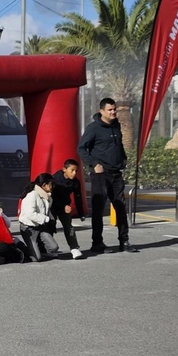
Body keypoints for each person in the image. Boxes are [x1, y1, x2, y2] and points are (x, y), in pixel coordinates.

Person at [79, 98, 135, 253]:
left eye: (114, 109)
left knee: (120, 207)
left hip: (116, 174)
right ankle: (97, 243)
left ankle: (124, 241)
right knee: (98, 210)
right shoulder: (93, 128)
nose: (113, 112)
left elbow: (119, 145)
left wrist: (123, 160)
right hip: (100, 175)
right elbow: (82, 149)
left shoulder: (116, 126)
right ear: (101, 111)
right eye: (110, 110)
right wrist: (94, 164)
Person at [16, 175, 61, 261]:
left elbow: (47, 211)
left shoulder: (48, 197)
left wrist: (50, 219)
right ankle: (20, 246)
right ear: (44, 185)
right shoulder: (32, 195)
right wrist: (46, 219)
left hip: (40, 227)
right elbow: (30, 214)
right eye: (51, 184)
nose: (53, 187)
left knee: (54, 247)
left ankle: (39, 251)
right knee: (37, 258)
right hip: (28, 228)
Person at [50, 159, 87, 259]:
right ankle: (48, 249)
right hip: (52, 206)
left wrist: (81, 213)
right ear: (64, 169)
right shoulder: (54, 179)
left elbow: (78, 197)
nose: (74, 173)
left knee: (69, 227)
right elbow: (52, 196)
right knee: (50, 226)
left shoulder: (76, 182)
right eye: (72, 170)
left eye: (76, 171)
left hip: (65, 207)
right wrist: (63, 206)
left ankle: (74, 248)